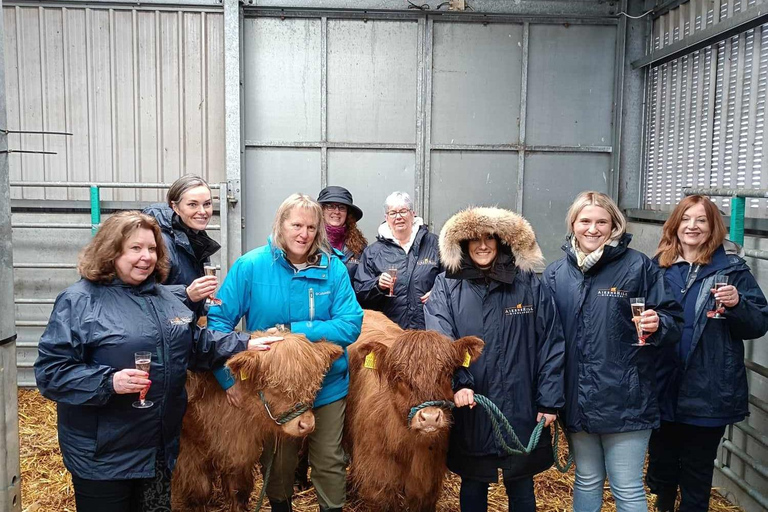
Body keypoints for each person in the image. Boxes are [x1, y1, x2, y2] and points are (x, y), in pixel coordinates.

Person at [33, 211, 266, 512]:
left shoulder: (166, 299)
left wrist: (246, 343)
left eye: (153, 248)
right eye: (135, 248)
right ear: (111, 251)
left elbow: (194, 345)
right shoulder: (80, 301)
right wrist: (108, 382)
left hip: (157, 449)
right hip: (104, 454)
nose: (146, 257)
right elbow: (51, 373)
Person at [208, 193, 363, 512]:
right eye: (296, 225)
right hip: (274, 389)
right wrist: (227, 378)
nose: (303, 234)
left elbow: (351, 323)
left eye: (310, 226)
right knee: (277, 462)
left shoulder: (333, 269)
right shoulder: (251, 266)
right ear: (280, 224)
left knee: (328, 461)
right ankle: (281, 506)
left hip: (326, 384)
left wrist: (297, 330)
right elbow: (218, 322)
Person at [541, 191, 683, 512]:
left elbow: (674, 321)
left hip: (627, 400)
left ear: (614, 225)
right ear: (573, 224)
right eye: (585, 221)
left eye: (601, 221)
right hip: (577, 399)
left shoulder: (638, 267)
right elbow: (547, 340)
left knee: (627, 486)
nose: (593, 229)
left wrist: (658, 322)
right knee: (587, 479)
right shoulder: (555, 275)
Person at [424, 206, 565, 512]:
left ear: (502, 241)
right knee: (474, 482)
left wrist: (549, 400)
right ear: (463, 244)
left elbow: (551, 342)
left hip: (521, 403)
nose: (483, 245)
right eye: (475, 239)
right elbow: (442, 340)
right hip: (472, 403)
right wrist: (459, 383)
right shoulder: (447, 286)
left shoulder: (528, 284)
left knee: (522, 483)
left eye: (490, 238)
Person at [646, 195, 768, 512]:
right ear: (675, 224)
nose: (693, 226)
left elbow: (758, 324)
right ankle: (663, 501)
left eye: (701, 219)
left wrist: (738, 304)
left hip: (709, 389)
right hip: (663, 384)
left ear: (712, 227)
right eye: (686, 218)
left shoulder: (732, 270)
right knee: (662, 468)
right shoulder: (657, 267)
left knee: (697, 475)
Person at [354, 191, 441, 329]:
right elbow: (359, 293)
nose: (398, 217)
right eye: (393, 213)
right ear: (386, 217)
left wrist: (437, 292)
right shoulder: (373, 252)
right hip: (390, 333)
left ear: (413, 214)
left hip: (428, 331)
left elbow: (452, 281)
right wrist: (377, 285)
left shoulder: (435, 244)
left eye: (403, 211)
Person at [143, 174, 221, 311]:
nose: (202, 212)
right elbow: (141, 294)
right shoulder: (159, 242)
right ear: (175, 207)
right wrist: (187, 294)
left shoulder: (196, 238)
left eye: (207, 204)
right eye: (193, 204)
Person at [317, 185, 367, 279]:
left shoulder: (359, 246)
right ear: (321, 210)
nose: (337, 211)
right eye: (330, 206)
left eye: (342, 207)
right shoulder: (309, 240)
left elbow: (363, 283)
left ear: (348, 213)